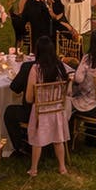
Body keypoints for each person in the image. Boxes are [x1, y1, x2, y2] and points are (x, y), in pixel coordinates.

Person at [22, 35, 71, 175]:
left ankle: (34, 168)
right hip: (57, 110)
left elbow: (29, 98)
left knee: (37, 141)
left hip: (41, 111)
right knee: (58, 140)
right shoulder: (60, 67)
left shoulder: (36, 69)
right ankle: (62, 167)